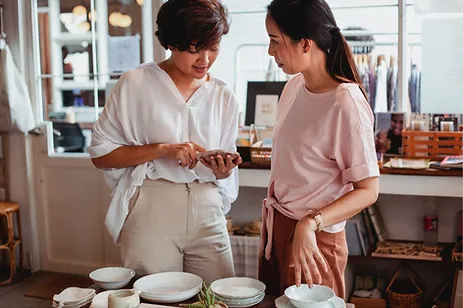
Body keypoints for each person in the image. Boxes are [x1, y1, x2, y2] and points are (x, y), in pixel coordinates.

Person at [88, 0, 242, 284]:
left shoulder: (224, 96)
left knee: (218, 296)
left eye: (213, 47)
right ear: (171, 43)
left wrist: (222, 170)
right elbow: (101, 155)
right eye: (194, 49)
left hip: (208, 206)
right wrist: (162, 150)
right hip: (151, 206)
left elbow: (224, 173)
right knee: (154, 298)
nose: (204, 59)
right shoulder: (135, 84)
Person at [258, 0, 380, 299]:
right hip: (279, 228)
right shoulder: (293, 87)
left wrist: (310, 224)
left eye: (275, 41)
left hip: (315, 238)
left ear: (305, 44)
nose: (270, 51)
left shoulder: (346, 103)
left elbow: (368, 189)